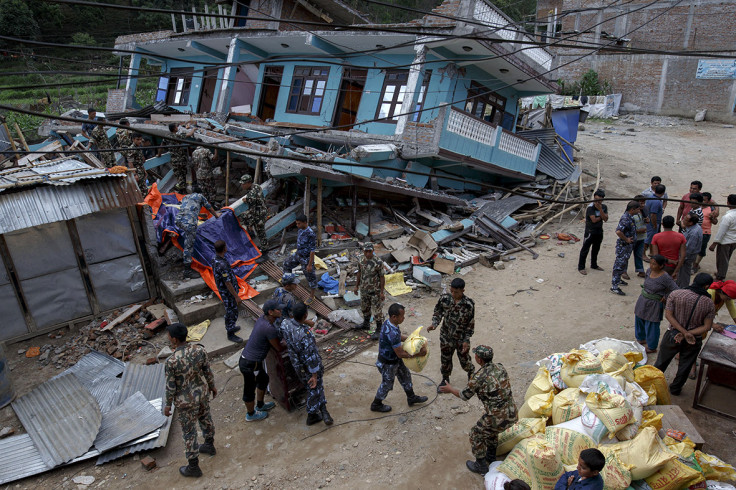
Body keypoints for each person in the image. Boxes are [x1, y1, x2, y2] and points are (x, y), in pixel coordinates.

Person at [439, 345, 518, 475]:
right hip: (512, 413)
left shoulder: (478, 377)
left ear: (479, 360)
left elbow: (464, 395)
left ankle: (480, 466)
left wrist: (450, 389)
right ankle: (491, 456)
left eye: (475, 355)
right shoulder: (500, 367)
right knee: (490, 431)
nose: (474, 356)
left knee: (475, 434)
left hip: (497, 417)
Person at [163, 323, 217, 478]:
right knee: (206, 419)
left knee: (189, 432)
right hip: (202, 394)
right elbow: (207, 370)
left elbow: (170, 386)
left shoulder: (171, 361)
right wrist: (212, 386)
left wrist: (168, 405)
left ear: (173, 339)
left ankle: (193, 467)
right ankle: (209, 445)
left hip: (186, 402)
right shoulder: (199, 350)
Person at [653, 273, 716, 396]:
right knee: (685, 366)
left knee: (661, 361)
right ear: (707, 286)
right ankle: (675, 389)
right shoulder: (709, 303)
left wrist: (682, 332)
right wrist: (688, 333)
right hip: (693, 340)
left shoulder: (676, 294)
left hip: (672, 334)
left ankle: (652, 383)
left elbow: (668, 315)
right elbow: (707, 327)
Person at [280, 302, 332, 426]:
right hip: (307, 365)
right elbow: (311, 357)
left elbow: (284, 336)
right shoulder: (305, 335)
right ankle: (313, 413)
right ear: (305, 315)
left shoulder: (285, 323)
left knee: (312, 386)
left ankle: (322, 410)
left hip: (296, 362)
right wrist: (314, 375)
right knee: (314, 386)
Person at [370, 303, 428, 413]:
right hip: (388, 363)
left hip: (394, 360)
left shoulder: (390, 323)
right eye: (402, 316)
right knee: (387, 384)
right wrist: (419, 354)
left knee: (405, 376)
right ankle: (376, 404)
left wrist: (411, 339)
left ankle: (411, 397)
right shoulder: (391, 332)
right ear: (394, 317)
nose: (404, 318)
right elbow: (401, 353)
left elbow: (398, 337)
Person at [239, 299, 284, 421]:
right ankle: (251, 414)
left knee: (263, 380)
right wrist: (287, 342)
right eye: (278, 309)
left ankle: (260, 405)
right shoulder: (268, 328)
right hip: (250, 363)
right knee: (249, 389)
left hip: (251, 361)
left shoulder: (262, 319)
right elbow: (278, 348)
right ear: (270, 312)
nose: (281, 311)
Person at [428, 278, 475, 390]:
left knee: (464, 359)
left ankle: (471, 376)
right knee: (445, 359)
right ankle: (445, 380)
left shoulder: (469, 304)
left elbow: (470, 324)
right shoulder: (445, 299)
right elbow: (438, 312)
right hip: (446, 336)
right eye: (452, 291)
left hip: (461, 338)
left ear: (463, 290)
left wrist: (466, 340)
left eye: (456, 292)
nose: (453, 294)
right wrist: (434, 324)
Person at [634, 255, 679, 353]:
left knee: (652, 324)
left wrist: (666, 296)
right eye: (650, 263)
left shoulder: (665, 277)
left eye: (654, 264)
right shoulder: (649, 271)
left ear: (661, 266)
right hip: (643, 299)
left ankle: (652, 346)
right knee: (639, 318)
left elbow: (676, 290)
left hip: (654, 303)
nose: (651, 265)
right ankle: (641, 338)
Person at [175, 191, 221, 280]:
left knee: (187, 240)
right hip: (189, 223)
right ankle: (187, 271)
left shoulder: (186, 197)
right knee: (188, 246)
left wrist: (199, 214)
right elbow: (209, 207)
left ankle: (187, 264)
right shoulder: (201, 196)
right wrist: (216, 215)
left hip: (178, 220)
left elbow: (188, 209)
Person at [212, 240, 244, 344]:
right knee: (231, 311)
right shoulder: (222, 264)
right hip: (228, 293)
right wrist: (236, 296)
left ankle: (232, 327)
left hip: (225, 291)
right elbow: (228, 283)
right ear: (224, 249)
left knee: (231, 310)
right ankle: (230, 333)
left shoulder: (216, 259)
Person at [283, 214, 317, 304]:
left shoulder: (311, 234)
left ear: (305, 223)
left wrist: (309, 264)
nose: (297, 225)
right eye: (296, 223)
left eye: (299, 224)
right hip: (298, 254)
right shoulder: (300, 230)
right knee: (286, 264)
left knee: (311, 277)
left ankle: (312, 296)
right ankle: (289, 282)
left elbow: (312, 251)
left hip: (306, 258)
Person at [354, 242, 386, 340]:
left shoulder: (378, 262)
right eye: (366, 251)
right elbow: (359, 273)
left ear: (373, 251)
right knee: (365, 308)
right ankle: (366, 323)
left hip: (375, 291)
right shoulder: (361, 260)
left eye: (370, 251)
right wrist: (356, 286)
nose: (368, 253)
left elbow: (382, 277)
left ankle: (379, 330)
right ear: (363, 251)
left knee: (377, 311)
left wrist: (381, 292)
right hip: (364, 289)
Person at [611, 201, 641, 296]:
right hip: (623, 246)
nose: (639, 210)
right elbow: (618, 232)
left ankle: (618, 280)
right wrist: (626, 239)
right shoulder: (625, 218)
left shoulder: (630, 217)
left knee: (623, 264)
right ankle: (614, 286)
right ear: (632, 209)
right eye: (638, 209)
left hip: (627, 247)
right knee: (619, 265)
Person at [578, 190, 608, 275]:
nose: (597, 202)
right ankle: (581, 267)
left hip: (599, 231)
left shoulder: (604, 207)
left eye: (599, 200)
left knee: (596, 249)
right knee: (585, 249)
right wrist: (602, 216)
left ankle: (594, 264)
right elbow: (594, 220)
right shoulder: (590, 207)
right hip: (590, 231)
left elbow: (606, 219)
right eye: (596, 199)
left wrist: (600, 210)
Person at [709, 194, 736, 281]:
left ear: (728, 203)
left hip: (725, 242)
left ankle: (720, 277)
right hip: (733, 241)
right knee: (726, 258)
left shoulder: (728, 217)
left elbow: (721, 231)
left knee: (722, 260)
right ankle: (721, 273)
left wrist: (714, 243)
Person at [238, 174, 268, 246]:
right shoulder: (257, 186)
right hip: (262, 210)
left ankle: (264, 248)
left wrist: (250, 224)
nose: (242, 186)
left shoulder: (251, 194)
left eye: (243, 184)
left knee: (260, 232)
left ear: (249, 183)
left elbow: (252, 209)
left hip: (258, 214)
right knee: (261, 231)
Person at [694, 192, 719, 272]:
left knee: (701, 249)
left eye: (704, 200)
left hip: (705, 232)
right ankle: (694, 263)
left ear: (708, 201)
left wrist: (712, 218)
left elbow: (715, 222)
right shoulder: (697, 207)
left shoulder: (711, 209)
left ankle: (696, 264)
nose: (702, 201)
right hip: (695, 231)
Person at [168, 122, 195, 192]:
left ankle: (181, 189)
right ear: (174, 128)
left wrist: (158, 154)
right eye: (176, 127)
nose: (177, 128)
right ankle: (182, 190)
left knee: (179, 175)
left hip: (174, 160)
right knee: (182, 175)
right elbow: (189, 134)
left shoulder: (166, 136)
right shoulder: (177, 136)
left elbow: (162, 145)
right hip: (180, 159)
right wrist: (194, 129)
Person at [678, 213, 703, 288]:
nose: (683, 220)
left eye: (685, 219)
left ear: (691, 223)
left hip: (687, 257)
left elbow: (689, 249)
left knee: (684, 273)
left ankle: (683, 288)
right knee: (682, 272)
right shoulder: (693, 227)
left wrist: (682, 259)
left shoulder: (693, 233)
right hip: (687, 255)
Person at [643, 184, 666, 262]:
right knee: (647, 239)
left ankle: (652, 252)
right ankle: (643, 254)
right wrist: (655, 224)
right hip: (652, 223)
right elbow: (653, 214)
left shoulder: (650, 197)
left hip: (649, 221)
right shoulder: (657, 201)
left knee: (651, 238)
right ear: (663, 193)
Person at [631, 194, 648, 278]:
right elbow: (626, 228)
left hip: (641, 237)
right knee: (626, 255)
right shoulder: (631, 214)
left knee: (639, 254)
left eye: (644, 203)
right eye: (641, 203)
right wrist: (638, 231)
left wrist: (647, 221)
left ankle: (640, 270)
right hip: (631, 238)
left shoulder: (643, 211)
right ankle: (623, 271)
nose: (643, 205)